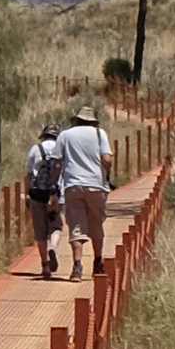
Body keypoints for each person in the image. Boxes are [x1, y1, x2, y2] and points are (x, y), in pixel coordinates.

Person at [55, 99, 113, 274]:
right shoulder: (100, 134)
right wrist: (106, 175)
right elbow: (107, 159)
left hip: (73, 185)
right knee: (96, 223)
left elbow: (57, 163)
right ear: (93, 121)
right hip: (96, 185)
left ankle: (77, 265)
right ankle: (98, 262)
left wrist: (55, 183)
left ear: (77, 120)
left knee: (76, 225)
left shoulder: (65, 135)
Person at [24, 116, 69, 276]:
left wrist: (28, 194)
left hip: (37, 194)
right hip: (55, 194)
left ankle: (45, 266)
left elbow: (29, 174)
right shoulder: (61, 149)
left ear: (44, 135)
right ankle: (53, 248)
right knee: (56, 226)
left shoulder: (35, 149)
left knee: (40, 231)